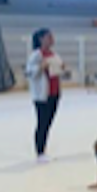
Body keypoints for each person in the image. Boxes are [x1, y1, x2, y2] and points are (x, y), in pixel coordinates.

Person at [26, 28, 64, 163]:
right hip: (42, 95)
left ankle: (43, 150)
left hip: (54, 92)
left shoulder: (54, 55)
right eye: (49, 37)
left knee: (48, 123)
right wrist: (40, 67)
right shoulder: (36, 55)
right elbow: (29, 72)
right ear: (41, 39)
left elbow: (58, 71)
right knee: (42, 123)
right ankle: (40, 151)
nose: (52, 39)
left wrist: (62, 68)